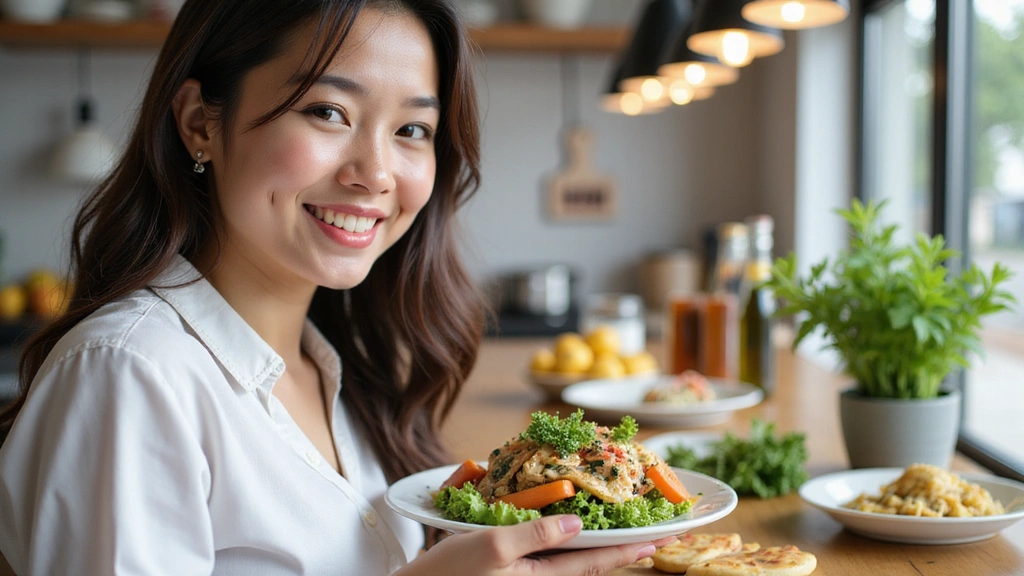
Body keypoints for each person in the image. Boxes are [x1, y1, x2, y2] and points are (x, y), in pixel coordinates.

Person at [0, 1, 665, 574]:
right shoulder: (130, 373)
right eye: (327, 111)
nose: (376, 174)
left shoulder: (341, 373)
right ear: (200, 122)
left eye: (412, 130)